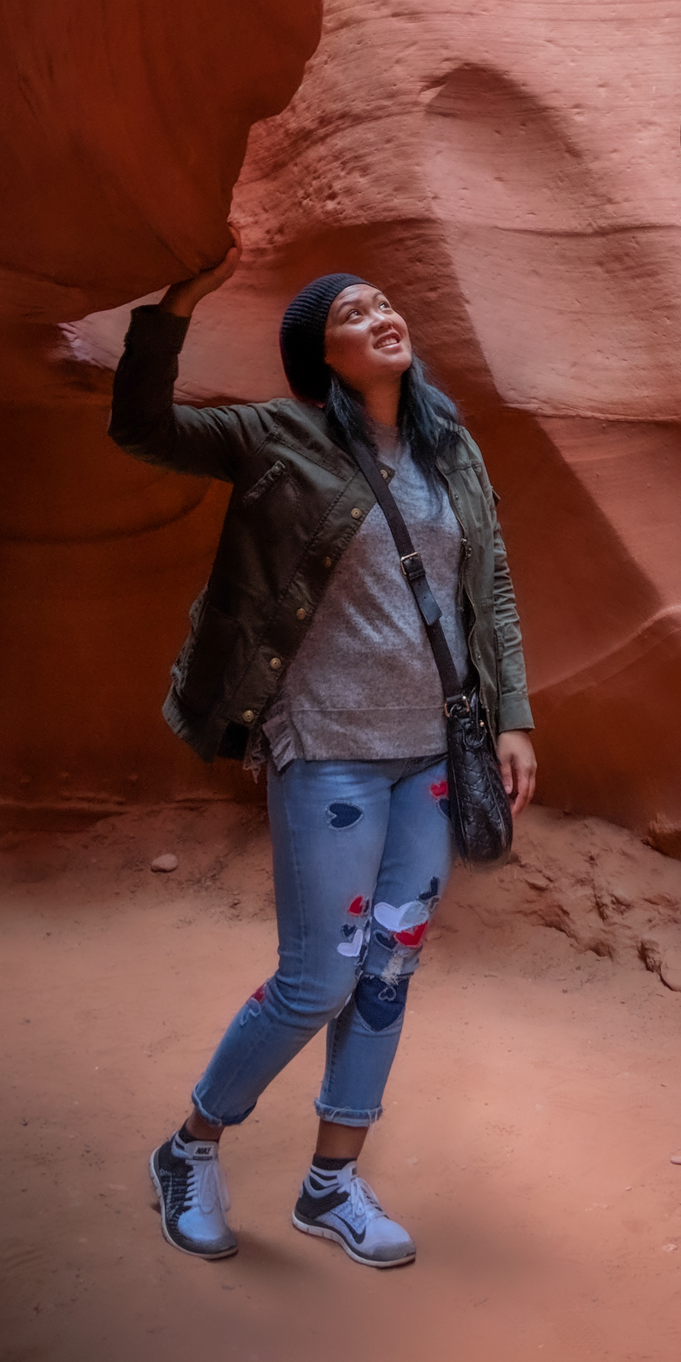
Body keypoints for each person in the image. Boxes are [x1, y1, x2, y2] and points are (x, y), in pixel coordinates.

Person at [108, 243, 537, 1268]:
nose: (381, 314)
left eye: (385, 302)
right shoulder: (276, 435)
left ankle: (330, 1183)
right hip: (329, 749)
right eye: (353, 311)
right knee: (316, 978)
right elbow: (144, 426)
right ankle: (190, 1146)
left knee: (387, 969)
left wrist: (513, 711)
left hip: (430, 752)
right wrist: (177, 308)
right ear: (320, 353)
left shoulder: (450, 448)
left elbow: (496, 589)